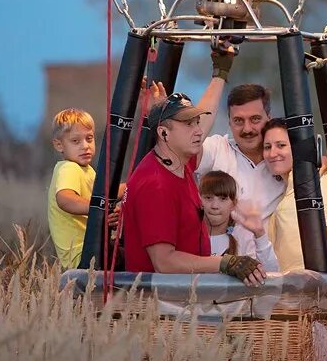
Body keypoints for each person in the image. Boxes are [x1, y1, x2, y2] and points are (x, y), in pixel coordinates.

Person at [121, 91, 267, 286]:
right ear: (163, 133)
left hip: (181, 300)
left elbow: (206, 121)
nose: (198, 131)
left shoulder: (179, 164)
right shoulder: (156, 184)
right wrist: (224, 262)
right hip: (161, 306)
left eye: (197, 122)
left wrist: (220, 74)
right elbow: (164, 262)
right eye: (189, 124)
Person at [193, 47, 287, 220]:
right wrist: (220, 74)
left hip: (270, 247)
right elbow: (191, 137)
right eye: (238, 121)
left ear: (269, 118)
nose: (247, 129)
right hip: (221, 247)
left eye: (255, 119)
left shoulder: (282, 158)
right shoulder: (217, 149)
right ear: (229, 122)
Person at [261, 118, 327, 284]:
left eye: (281, 145)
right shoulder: (285, 191)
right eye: (267, 147)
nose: (272, 153)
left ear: (297, 149)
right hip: (289, 290)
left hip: (315, 286)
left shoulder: (318, 178)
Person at [199, 170, 280, 272]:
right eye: (208, 198)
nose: (215, 206)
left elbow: (271, 273)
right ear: (199, 200)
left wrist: (260, 233)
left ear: (233, 204)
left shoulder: (243, 237)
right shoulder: (188, 235)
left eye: (223, 199)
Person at [46, 108, 97, 270]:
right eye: (75, 141)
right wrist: (99, 209)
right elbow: (65, 199)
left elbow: (105, 194)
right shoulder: (69, 168)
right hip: (81, 253)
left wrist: (130, 185)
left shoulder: (87, 170)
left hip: (91, 244)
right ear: (59, 145)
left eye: (89, 138)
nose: (85, 146)